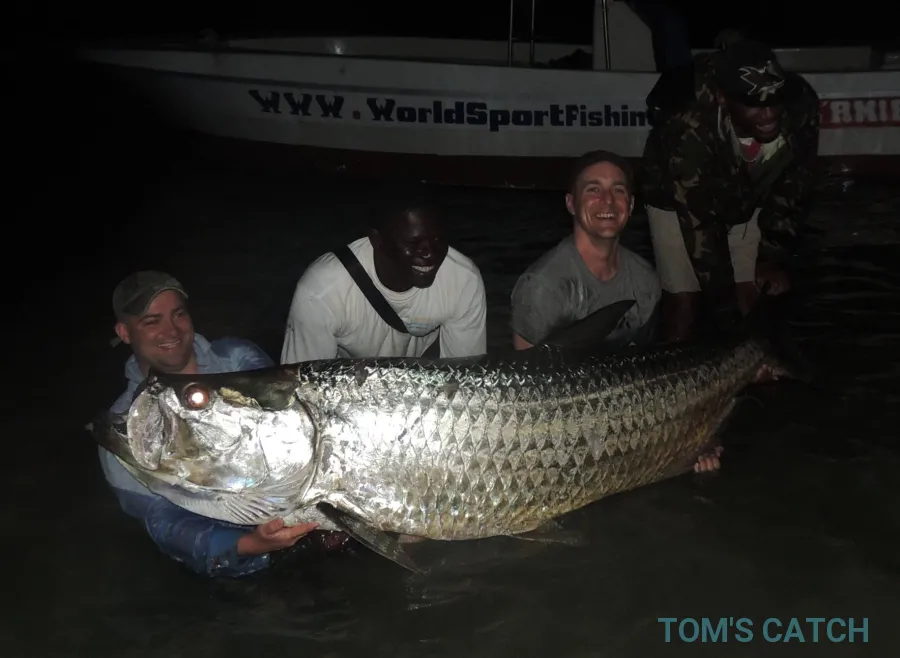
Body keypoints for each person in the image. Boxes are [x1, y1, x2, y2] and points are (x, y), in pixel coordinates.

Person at [99, 270, 340, 577]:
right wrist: (250, 544)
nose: (171, 330)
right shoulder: (126, 427)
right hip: (238, 562)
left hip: (308, 515)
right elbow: (163, 522)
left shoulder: (236, 359)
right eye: (152, 321)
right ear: (124, 332)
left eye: (178, 314)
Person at [640, 38, 820, 342]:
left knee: (753, 294)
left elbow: (796, 183)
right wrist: (724, 309)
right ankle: (671, 367)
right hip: (676, 199)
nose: (768, 114)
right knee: (685, 304)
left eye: (775, 99)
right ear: (723, 98)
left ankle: (758, 364)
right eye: (753, 103)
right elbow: (701, 225)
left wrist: (771, 255)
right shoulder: (688, 129)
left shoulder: (800, 104)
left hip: (747, 190)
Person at [281, 192, 487, 364]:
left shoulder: (463, 280)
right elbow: (304, 383)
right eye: (413, 243)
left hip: (425, 374)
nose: (430, 254)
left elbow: (465, 374)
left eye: (437, 239)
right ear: (376, 240)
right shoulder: (322, 291)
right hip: (348, 383)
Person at [510, 149, 662, 353]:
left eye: (618, 190)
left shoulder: (645, 278)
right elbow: (526, 368)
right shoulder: (542, 287)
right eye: (593, 189)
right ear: (571, 203)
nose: (608, 200)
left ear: (631, 204)